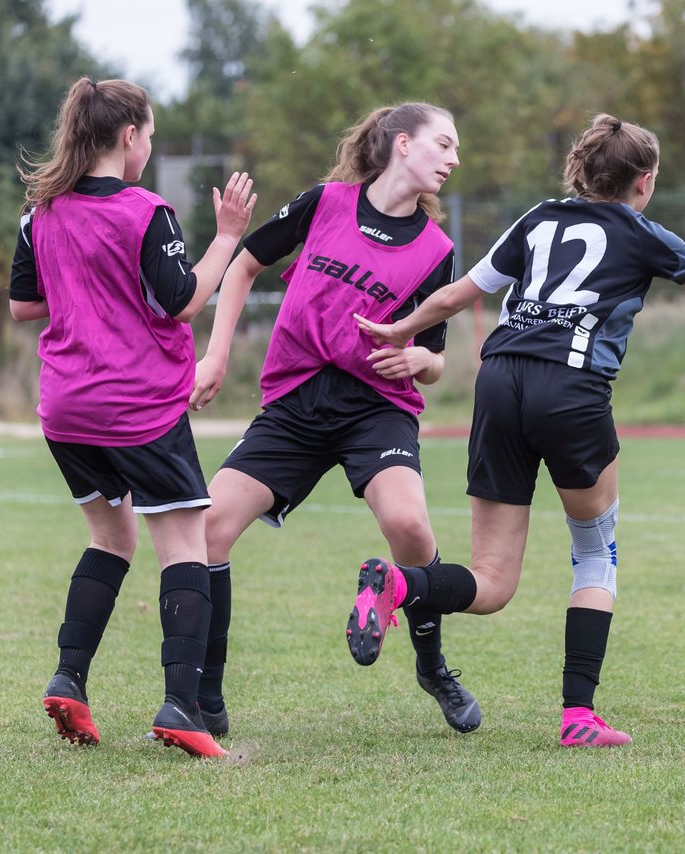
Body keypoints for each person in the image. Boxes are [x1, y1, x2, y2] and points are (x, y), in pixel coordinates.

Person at [352, 113, 685, 747]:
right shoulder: (642, 230)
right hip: (569, 388)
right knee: (595, 553)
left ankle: (402, 583)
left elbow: (460, 293)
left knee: (491, 581)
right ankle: (578, 717)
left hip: (499, 378)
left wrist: (398, 329)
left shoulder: (539, 218)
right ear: (643, 181)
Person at [189, 102, 481, 736]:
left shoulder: (437, 250)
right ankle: (204, 698)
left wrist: (415, 360)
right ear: (403, 144)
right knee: (208, 527)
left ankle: (432, 667)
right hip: (295, 403)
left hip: (376, 408)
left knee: (409, 526)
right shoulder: (324, 203)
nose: (455, 159)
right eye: (445, 144)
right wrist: (214, 355)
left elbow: (435, 360)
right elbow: (243, 266)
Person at [9, 77, 257, 758]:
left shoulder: (41, 212)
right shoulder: (146, 211)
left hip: (66, 408)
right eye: (150, 133)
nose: (150, 145)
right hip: (138, 407)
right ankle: (182, 706)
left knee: (110, 539)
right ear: (129, 136)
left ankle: (69, 677)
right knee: (185, 548)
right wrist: (227, 238)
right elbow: (181, 303)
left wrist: (86, 291)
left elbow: (24, 305)